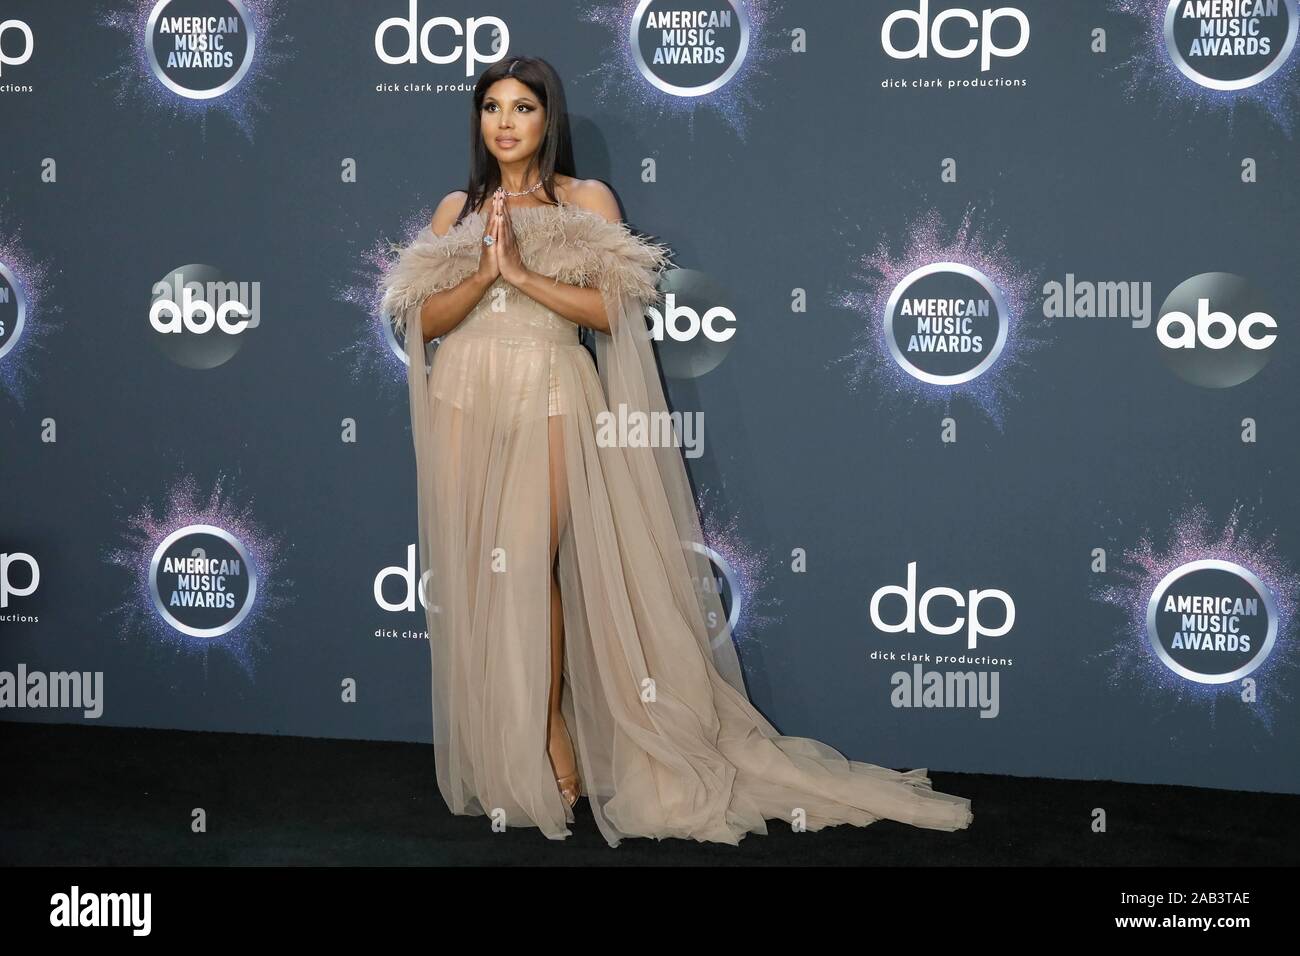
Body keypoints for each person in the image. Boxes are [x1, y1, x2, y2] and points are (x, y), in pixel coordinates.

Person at [380, 55, 973, 847]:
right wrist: (481, 267)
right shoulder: (457, 207)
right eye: (492, 107)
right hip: (463, 396)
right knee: (483, 577)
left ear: (547, 120)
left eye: (522, 107)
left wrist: (517, 274)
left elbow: (611, 309)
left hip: (551, 391)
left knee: (524, 567)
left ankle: (552, 740)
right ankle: (514, 751)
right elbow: (423, 321)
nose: (506, 123)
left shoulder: (584, 200)